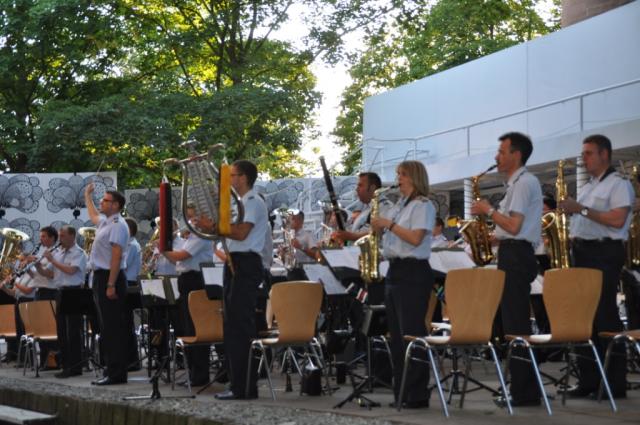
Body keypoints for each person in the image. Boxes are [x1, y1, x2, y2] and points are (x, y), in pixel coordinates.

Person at [471, 131, 542, 407]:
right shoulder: (517, 184)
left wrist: (488, 211)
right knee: (513, 323)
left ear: (516, 154)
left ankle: (524, 392)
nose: (496, 156)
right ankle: (522, 388)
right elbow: (511, 228)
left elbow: (514, 226)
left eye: (501, 152)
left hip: (517, 256)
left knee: (516, 325)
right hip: (513, 252)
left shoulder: (523, 183)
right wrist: (490, 237)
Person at [559, 134, 632, 398]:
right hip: (583, 252)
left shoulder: (618, 184)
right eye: (583, 153)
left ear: (604, 154)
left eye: (589, 153)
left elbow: (617, 219)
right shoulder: (589, 186)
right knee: (583, 318)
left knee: (604, 315)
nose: (584, 158)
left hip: (604, 252)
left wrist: (581, 209)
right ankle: (589, 380)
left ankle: (614, 383)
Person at [371, 160, 435, 408]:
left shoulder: (423, 205)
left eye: (403, 174)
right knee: (397, 338)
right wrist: (378, 228)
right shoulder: (400, 205)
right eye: (398, 174)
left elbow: (416, 238)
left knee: (412, 334)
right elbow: (391, 235)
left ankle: (417, 394)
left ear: (415, 178)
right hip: (395, 270)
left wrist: (388, 224)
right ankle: (402, 392)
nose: (398, 178)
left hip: (413, 272)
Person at [214, 159, 268, 400]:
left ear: (243, 178)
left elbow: (241, 233)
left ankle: (244, 387)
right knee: (231, 325)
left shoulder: (253, 202)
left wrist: (215, 226)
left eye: (232, 175)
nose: (228, 179)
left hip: (246, 262)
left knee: (240, 325)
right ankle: (237, 383)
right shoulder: (240, 203)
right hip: (234, 261)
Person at [162, 205, 214, 387]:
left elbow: (181, 256)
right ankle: (193, 372)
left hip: (195, 280)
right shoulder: (191, 236)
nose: (190, 221)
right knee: (187, 327)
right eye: (189, 218)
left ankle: (199, 374)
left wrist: (163, 247)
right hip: (186, 279)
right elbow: (176, 259)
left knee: (195, 328)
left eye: (193, 217)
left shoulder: (200, 236)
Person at [84, 183, 130, 385]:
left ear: (116, 205)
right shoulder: (106, 222)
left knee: (113, 328)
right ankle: (111, 370)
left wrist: (110, 285)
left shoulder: (118, 225)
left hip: (110, 278)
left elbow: (116, 257)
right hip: (101, 277)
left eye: (105, 200)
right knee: (106, 328)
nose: (101, 202)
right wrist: (87, 196)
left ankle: (117, 373)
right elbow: (93, 214)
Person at [38, 225, 87, 378]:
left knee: (73, 331)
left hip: (74, 292)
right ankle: (65, 366)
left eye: (63, 236)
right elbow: (49, 274)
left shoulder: (79, 253)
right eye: (60, 236)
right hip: (60, 292)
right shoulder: (59, 252)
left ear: (72, 236)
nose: (60, 239)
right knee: (62, 331)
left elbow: (71, 270)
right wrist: (38, 265)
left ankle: (75, 367)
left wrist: (52, 260)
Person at [333, 172, 391, 244]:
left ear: (372, 188)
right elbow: (357, 229)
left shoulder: (385, 207)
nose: (357, 189)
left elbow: (379, 232)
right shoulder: (368, 207)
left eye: (360, 185)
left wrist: (352, 236)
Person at [124, 217, 142, 370]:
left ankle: (132, 360)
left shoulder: (131, 246)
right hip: (125, 283)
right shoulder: (126, 245)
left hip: (128, 284)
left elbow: (123, 265)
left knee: (126, 323)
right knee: (123, 323)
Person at [283, 210, 317, 280]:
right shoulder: (289, 236)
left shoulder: (308, 235)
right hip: (291, 272)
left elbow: (316, 255)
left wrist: (300, 247)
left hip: (305, 272)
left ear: (300, 221)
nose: (289, 221)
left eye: (292, 219)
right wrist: (282, 255)